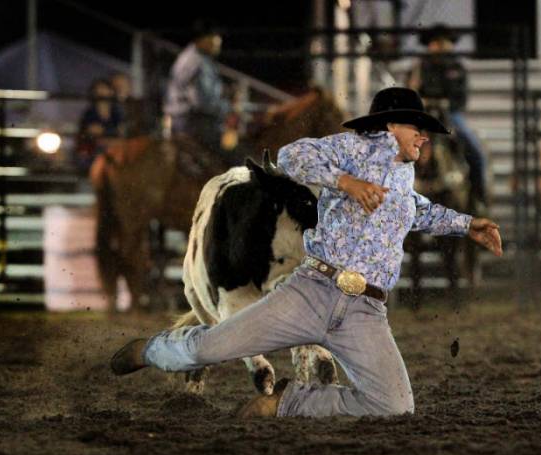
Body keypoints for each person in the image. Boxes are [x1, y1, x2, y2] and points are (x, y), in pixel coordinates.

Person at [109, 87, 503, 418]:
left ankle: (286, 402)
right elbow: (291, 156)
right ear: (390, 127)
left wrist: (468, 225)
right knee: (209, 348)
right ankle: (150, 350)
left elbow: (416, 209)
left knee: (394, 406)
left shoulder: (403, 172)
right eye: (417, 128)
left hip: (365, 310)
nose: (424, 137)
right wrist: (344, 181)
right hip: (314, 292)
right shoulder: (352, 147)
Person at [408, 23, 487, 204]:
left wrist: (446, 105)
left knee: (475, 151)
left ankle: (477, 197)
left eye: (443, 42)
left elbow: (462, 97)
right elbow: (409, 94)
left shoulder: (456, 67)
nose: (439, 46)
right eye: (435, 42)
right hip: (423, 117)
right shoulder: (419, 68)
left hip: (449, 116)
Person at [163, 19, 230, 156]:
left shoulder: (193, 57)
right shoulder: (196, 61)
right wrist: (227, 107)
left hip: (186, 119)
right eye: (215, 37)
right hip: (193, 121)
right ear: (203, 39)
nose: (218, 42)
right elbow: (203, 102)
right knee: (233, 155)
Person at [74, 78, 122, 173]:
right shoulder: (89, 113)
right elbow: (93, 133)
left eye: (105, 89)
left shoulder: (117, 112)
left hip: (114, 149)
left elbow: (122, 131)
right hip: (94, 151)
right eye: (99, 89)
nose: (102, 92)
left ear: (111, 92)